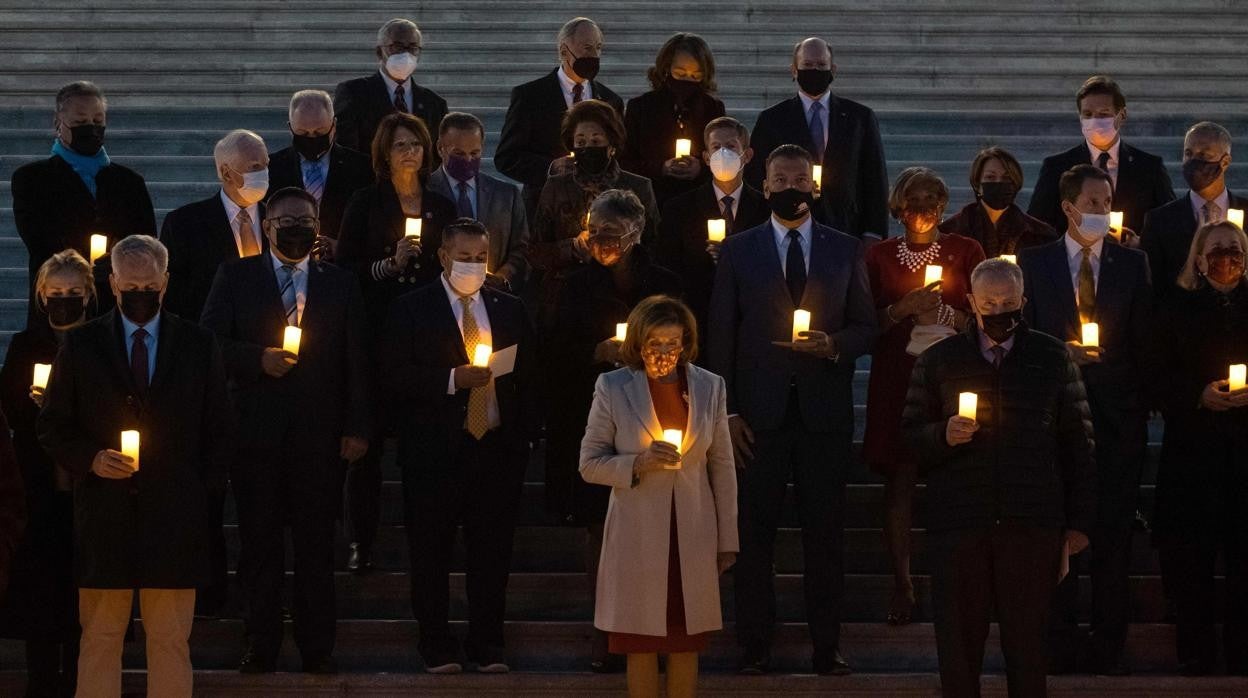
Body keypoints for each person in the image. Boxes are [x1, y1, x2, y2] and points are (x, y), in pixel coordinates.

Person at [37, 235, 232, 698]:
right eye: (131, 285)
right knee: (100, 640)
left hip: (174, 520)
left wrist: (195, 489)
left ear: (165, 283)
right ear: (113, 282)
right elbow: (52, 425)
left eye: (150, 284)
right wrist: (92, 458)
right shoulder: (82, 345)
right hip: (105, 520)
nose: (140, 293)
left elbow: (220, 427)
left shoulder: (198, 344)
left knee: (169, 641)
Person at [708, 144, 877, 675]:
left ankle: (827, 645)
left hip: (823, 415)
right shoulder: (740, 249)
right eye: (780, 178)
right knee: (754, 537)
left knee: (825, 537)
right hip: (758, 418)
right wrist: (727, 414)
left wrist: (833, 345)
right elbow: (720, 337)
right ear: (764, 184)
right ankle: (755, 645)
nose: (790, 187)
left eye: (800, 179)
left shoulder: (846, 249)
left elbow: (867, 326)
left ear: (815, 185)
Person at [901, 257, 1095, 698]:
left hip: (1030, 523)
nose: (1000, 310)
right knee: (958, 650)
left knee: (1028, 650)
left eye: (1009, 302)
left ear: (1023, 301)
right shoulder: (938, 361)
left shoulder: (1052, 357)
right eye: (990, 302)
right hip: (959, 523)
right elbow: (910, 437)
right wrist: (942, 435)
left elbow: (1078, 443)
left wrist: (1079, 523)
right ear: (971, 301)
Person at [200, 187, 371, 675]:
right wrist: (256, 359)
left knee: (318, 547)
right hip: (255, 436)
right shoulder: (236, 276)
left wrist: (358, 427)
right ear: (267, 225)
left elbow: (356, 358)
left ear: (317, 226)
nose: (296, 227)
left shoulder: (340, 283)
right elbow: (209, 342)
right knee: (259, 546)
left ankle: (318, 646)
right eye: (285, 220)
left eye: (306, 219)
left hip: (320, 439)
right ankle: (261, 641)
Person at [380, 219, 537, 674]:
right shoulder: (411, 309)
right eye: (464, 257)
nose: (473, 265)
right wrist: (452, 379)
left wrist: (521, 435)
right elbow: (392, 375)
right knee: (431, 552)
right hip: (434, 454)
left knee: (492, 553)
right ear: (444, 257)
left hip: (496, 452)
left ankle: (487, 643)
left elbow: (530, 375)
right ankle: (437, 643)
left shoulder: (508, 308)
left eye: (480, 257)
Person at [1019, 164, 1151, 675]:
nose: (1101, 211)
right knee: (1058, 534)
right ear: (1069, 206)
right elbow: (1023, 336)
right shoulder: (1035, 262)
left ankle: (1109, 643)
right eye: (1092, 203)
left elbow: (1144, 340)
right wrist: (1061, 358)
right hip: (1057, 418)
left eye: (1107, 202)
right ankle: (1059, 642)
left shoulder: (1131, 263)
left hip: (1117, 416)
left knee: (1113, 535)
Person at [546, 189, 682, 670]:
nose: (603, 241)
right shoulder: (577, 285)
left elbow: (684, 343)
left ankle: (657, 633)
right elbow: (555, 350)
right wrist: (594, 353)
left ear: (637, 233)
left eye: (613, 233)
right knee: (599, 527)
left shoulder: (663, 283)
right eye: (596, 231)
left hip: (655, 414)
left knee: (657, 530)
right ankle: (606, 631)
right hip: (596, 416)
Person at [580, 295, 737, 698]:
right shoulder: (614, 386)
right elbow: (589, 463)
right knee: (641, 642)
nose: (665, 353)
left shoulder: (709, 386)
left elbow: (722, 466)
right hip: (638, 533)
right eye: (655, 343)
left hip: (692, 530)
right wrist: (638, 463)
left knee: (685, 641)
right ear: (638, 342)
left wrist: (727, 539)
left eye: (674, 343)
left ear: (686, 342)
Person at [336, 113, 457, 572]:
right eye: (401, 145)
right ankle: (360, 540)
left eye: (417, 145)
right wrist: (387, 266)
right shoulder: (365, 203)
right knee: (365, 445)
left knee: (424, 446)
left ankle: (426, 539)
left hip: (426, 340)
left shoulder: (441, 206)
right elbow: (345, 268)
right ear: (384, 154)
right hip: (375, 335)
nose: (410, 152)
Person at [863, 167, 984, 625]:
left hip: (950, 378)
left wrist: (951, 316)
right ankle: (903, 583)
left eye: (934, 199)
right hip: (896, 376)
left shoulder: (966, 250)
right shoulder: (877, 256)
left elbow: (985, 318)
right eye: (914, 200)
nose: (924, 208)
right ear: (898, 205)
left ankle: (958, 584)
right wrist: (900, 309)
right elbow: (862, 325)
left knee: (957, 481)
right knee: (900, 479)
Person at [1148, 220, 1248, 676]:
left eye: (1235, 248)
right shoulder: (1175, 306)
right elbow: (1156, 375)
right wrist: (1197, 394)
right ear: (1198, 257)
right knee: (1192, 560)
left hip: (1245, 453)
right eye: (1216, 249)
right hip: (1193, 453)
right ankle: (1198, 653)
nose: (1226, 257)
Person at [0, 250, 93, 697]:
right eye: (56, 293)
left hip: (86, 488)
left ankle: (80, 682)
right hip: (38, 487)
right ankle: (42, 684)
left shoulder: (99, 344)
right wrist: (36, 407)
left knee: (83, 599)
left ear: (89, 295)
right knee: (41, 596)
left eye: (73, 293)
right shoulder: (25, 346)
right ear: (40, 295)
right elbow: (9, 410)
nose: (64, 301)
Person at [12, 81, 155, 322]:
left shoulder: (129, 182)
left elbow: (147, 239)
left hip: (115, 307)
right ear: (58, 122)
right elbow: (37, 238)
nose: (90, 128)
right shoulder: (32, 179)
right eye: (80, 123)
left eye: (98, 122)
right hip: (59, 306)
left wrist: (117, 260)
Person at [530, 99, 660, 330]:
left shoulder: (638, 186)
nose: (588, 146)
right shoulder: (556, 187)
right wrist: (572, 246)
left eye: (596, 140)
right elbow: (536, 250)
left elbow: (654, 243)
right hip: (568, 297)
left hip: (624, 293)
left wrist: (621, 246)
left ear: (611, 144)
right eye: (581, 141)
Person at [744, 38, 888, 240]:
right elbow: (756, 177)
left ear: (833, 70)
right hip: (788, 228)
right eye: (807, 65)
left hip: (846, 228)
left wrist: (874, 232)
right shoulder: (772, 119)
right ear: (794, 70)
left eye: (821, 65)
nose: (814, 70)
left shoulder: (860, 118)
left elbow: (875, 178)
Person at [495, 17, 624, 218]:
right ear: (564, 51)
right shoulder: (530, 96)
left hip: (600, 210)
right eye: (587, 48)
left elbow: (620, 154)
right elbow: (507, 157)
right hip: (546, 210)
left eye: (598, 48)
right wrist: (551, 167)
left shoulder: (610, 101)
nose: (595, 55)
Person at [658, 117, 769, 340]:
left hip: (749, 322)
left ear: (746, 155)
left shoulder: (766, 209)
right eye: (716, 147)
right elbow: (669, 265)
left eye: (730, 146)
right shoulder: (679, 209)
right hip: (698, 318)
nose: (723, 153)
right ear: (707, 158)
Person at [1028, 75, 1175, 238]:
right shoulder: (1057, 167)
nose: (1095, 121)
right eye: (1088, 114)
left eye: (1103, 114)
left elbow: (1168, 223)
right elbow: (1037, 226)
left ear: (1122, 115)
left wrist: (1141, 244)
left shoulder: (1149, 167)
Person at [161, 129, 270, 323]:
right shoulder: (184, 224)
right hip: (210, 336)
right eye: (254, 167)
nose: (263, 173)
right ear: (227, 173)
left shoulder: (277, 218)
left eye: (265, 165)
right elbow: (174, 294)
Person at [1141, 121, 1248, 306]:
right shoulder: (1160, 221)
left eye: (1203, 154)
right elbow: (1153, 287)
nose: (1193, 161)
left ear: (1225, 162)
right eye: (1188, 154)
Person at [429, 112, 531, 291]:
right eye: (459, 153)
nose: (468, 160)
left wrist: (503, 276)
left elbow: (522, 248)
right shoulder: (424, 191)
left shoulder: (506, 195)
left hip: (493, 296)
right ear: (440, 148)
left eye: (474, 153)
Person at [620, 33, 725, 206]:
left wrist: (701, 167)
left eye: (695, 76)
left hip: (696, 202)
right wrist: (661, 167)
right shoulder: (641, 107)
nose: (687, 81)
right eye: (680, 73)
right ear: (666, 69)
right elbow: (625, 161)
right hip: (652, 200)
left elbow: (724, 158)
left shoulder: (712, 108)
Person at [268, 90, 373, 254]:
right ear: (290, 128)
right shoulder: (271, 168)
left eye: (320, 132)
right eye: (302, 133)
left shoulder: (363, 168)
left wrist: (342, 247)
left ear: (334, 125)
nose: (312, 138)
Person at [333, 18, 447, 161]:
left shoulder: (435, 104)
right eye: (397, 47)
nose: (406, 54)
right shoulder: (354, 93)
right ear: (379, 52)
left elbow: (438, 156)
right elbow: (345, 150)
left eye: (413, 48)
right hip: (370, 180)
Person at [939, 146, 1058, 258]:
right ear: (977, 184)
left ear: (1015, 184)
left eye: (1006, 178)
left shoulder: (1040, 235)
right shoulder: (951, 231)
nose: (999, 183)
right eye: (990, 177)